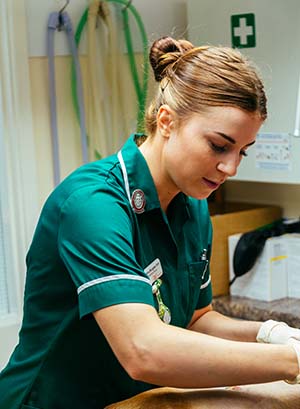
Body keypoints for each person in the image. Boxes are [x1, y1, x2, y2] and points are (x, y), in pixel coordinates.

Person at [1, 36, 300, 409]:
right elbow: (144, 350)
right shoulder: (94, 205)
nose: (231, 168)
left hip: (133, 402)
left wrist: (273, 334)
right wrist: (291, 363)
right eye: (218, 145)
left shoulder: (192, 206)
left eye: (242, 151)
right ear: (166, 121)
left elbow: (195, 320)